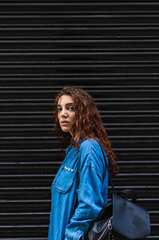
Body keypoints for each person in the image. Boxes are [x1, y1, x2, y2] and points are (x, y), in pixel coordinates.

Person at [48, 87, 118, 240]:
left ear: (83, 113)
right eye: (59, 109)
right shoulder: (74, 150)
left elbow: (90, 203)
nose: (63, 114)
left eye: (70, 108)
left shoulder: (89, 149)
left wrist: (71, 236)